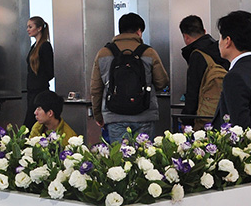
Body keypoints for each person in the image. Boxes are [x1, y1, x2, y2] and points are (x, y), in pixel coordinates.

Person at [90, 13, 169, 144]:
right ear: (139, 31)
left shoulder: (103, 53)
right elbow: (162, 82)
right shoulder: (149, 52)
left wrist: (98, 115)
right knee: (144, 155)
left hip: (114, 116)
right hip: (144, 115)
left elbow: (96, 89)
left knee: (120, 155)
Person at [178, 15, 229, 127]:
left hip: (204, 117)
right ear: (204, 31)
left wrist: (186, 121)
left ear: (186, 37)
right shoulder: (221, 50)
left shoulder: (197, 56)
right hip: (225, 113)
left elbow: (193, 92)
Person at [24, 16, 54, 128]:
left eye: (30, 27)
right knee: (32, 123)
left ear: (39, 28)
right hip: (31, 91)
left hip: (39, 90)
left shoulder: (45, 46)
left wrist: (39, 81)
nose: (28, 29)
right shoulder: (34, 46)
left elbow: (50, 71)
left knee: (30, 123)